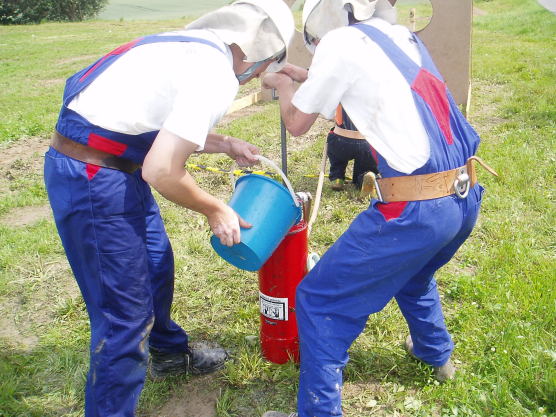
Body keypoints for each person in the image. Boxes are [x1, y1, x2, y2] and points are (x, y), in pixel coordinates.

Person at [43, 1, 294, 416]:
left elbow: (160, 122)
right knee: (123, 316)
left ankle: (168, 353)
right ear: (257, 52)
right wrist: (215, 209)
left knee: (157, 264)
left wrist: (226, 143)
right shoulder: (214, 72)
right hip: (93, 177)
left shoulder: (187, 46)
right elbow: (161, 170)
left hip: (117, 167)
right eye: (266, 63)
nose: (256, 73)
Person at [261, 0, 496, 416]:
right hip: (463, 197)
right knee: (415, 275)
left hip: (416, 211)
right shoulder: (399, 36)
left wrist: (282, 84)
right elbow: (367, 80)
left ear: (324, 20)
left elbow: (296, 123)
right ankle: (435, 354)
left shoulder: (339, 43)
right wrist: (306, 77)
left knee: (319, 300)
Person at [326, 104, 377, 191]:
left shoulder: (341, 96)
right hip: (365, 142)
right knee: (366, 166)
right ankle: (364, 178)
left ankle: (337, 178)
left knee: (337, 159)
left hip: (340, 140)